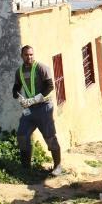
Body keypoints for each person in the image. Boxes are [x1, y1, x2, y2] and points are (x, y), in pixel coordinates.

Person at [12, 45, 62, 176]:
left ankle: (57, 166)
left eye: (31, 54)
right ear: (21, 56)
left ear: (34, 55)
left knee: (49, 137)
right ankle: (26, 168)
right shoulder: (19, 71)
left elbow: (50, 86)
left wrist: (34, 99)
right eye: (26, 55)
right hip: (29, 110)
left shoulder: (41, 68)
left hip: (44, 107)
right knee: (22, 136)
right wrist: (18, 97)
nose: (29, 57)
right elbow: (16, 87)